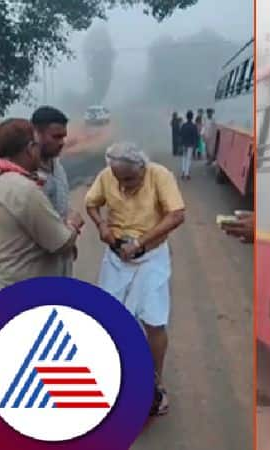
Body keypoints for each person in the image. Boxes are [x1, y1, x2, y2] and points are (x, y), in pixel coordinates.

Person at [85, 142, 185, 416]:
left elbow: (177, 214)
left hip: (151, 256)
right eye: (119, 180)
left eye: (130, 179)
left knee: (153, 320)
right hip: (117, 257)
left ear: (142, 168)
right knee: (109, 318)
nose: (124, 186)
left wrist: (141, 242)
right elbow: (91, 203)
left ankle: (156, 383)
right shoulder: (108, 176)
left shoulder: (159, 175)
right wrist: (102, 225)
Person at [0, 119, 83, 300]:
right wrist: (73, 224)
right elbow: (61, 242)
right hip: (23, 296)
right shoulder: (24, 190)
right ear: (30, 148)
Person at [32, 106, 77, 276]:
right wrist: (73, 225)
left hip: (62, 258)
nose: (61, 142)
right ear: (36, 133)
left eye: (63, 137)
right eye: (56, 137)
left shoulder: (57, 167)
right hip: (39, 265)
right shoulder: (28, 176)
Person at [179, 111, 199, 180]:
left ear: (186, 117)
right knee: (188, 159)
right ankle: (187, 174)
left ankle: (183, 172)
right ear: (192, 117)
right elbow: (196, 136)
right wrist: (196, 145)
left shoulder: (184, 125)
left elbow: (180, 134)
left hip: (184, 144)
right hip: (190, 145)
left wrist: (181, 144)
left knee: (184, 158)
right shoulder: (194, 126)